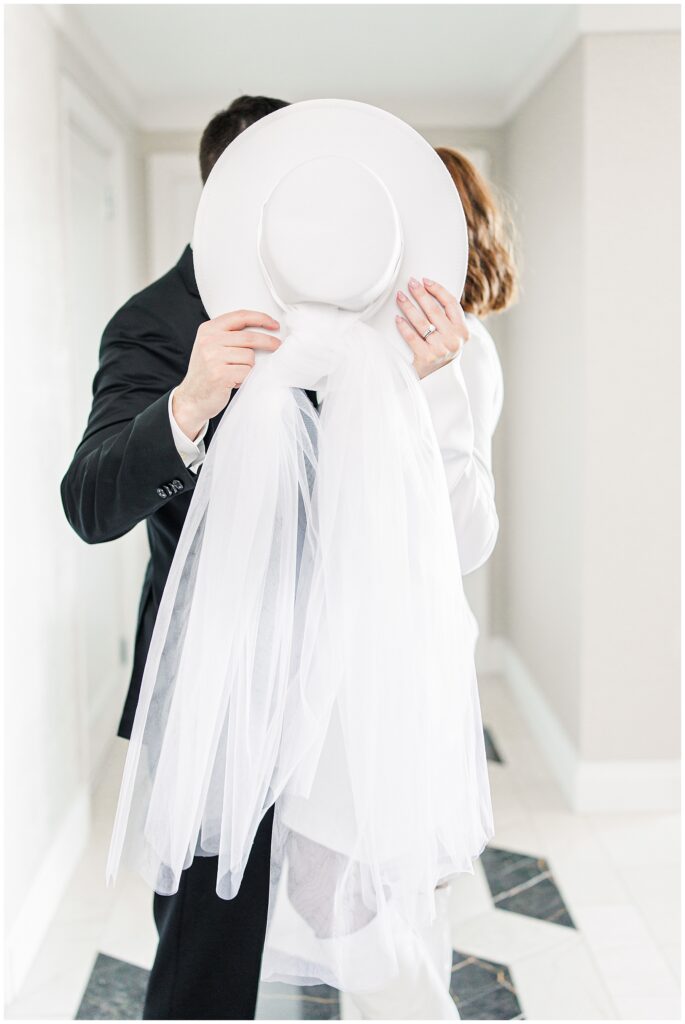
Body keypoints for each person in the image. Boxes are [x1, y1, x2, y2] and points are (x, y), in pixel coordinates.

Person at [61, 97, 502, 1020]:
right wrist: (187, 403)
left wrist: (413, 399)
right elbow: (91, 501)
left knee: (370, 936)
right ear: (233, 194)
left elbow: (426, 521)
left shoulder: (373, 309)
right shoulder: (154, 321)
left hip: (349, 690)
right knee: (206, 956)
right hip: (218, 693)